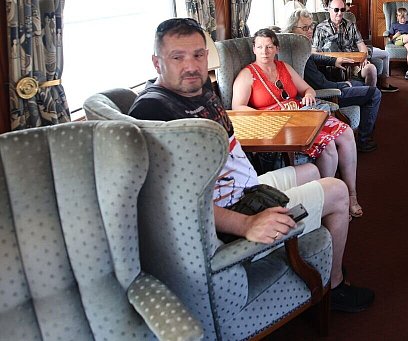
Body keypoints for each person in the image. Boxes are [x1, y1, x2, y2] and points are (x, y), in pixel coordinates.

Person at [129, 17, 373, 312]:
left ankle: (310, 247)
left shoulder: (200, 93)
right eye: (177, 57)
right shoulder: (153, 111)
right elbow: (170, 203)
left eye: (198, 55)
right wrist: (245, 223)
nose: (191, 66)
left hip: (246, 189)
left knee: (311, 170)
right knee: (336, 190)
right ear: (157, 63)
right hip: (233, 211)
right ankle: (334, 286)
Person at [232, 28, 364, 219]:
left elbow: (308, 89)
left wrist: (309, 95)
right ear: (253, 49)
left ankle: (351, 194)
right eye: (259, 47)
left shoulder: (284, 67)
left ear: (276, 49)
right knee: (328, 146)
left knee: (347, 134)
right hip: (277, 124)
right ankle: (328, 199)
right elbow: (237, 107)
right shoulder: (247, 74)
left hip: (302, 114)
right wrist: (265, 116)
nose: (264, 52)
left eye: (269, 47)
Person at [284, 8, 382, 153]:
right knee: (375, 93)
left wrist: (334, 61)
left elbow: (314, 57)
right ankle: (364, 140)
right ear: (292, 29)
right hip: (326, 94)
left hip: (327, 86)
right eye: (305, 28)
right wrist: (343, 84)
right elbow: (320, 85)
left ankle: (366, 124)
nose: (310, 31)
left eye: (311, 27)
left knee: (360, 84)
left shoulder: (297, 48)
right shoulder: (296, 55)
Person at [313, 0, 398, 93]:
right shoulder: (320, 28)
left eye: (342, 10)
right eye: (336, 10)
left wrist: (363, 57)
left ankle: (370, 97)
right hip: (331, 66)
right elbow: (314, 52)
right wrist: (329, 61)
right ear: (329, 9)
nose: (340, 13)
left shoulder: (351, 25)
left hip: (353, 65)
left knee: (371, 69)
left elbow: (362, 45)